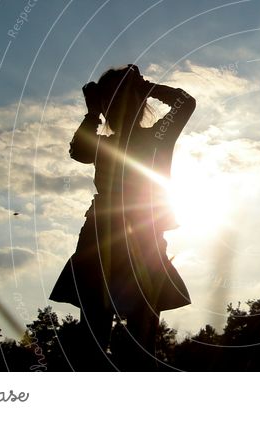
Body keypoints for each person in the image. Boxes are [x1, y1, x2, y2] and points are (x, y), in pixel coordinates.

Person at [50, 64, 196, 370]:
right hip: (101, 237)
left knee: (139, 333)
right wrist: (93, 113)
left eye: (120, 98)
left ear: (137, 102)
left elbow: (187, 103)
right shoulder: (108, 144)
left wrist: (144, 87)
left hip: (137, 237)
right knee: (95, 331)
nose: (114, 106)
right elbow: (78, 151)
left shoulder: (157, 135)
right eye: (109, 101)